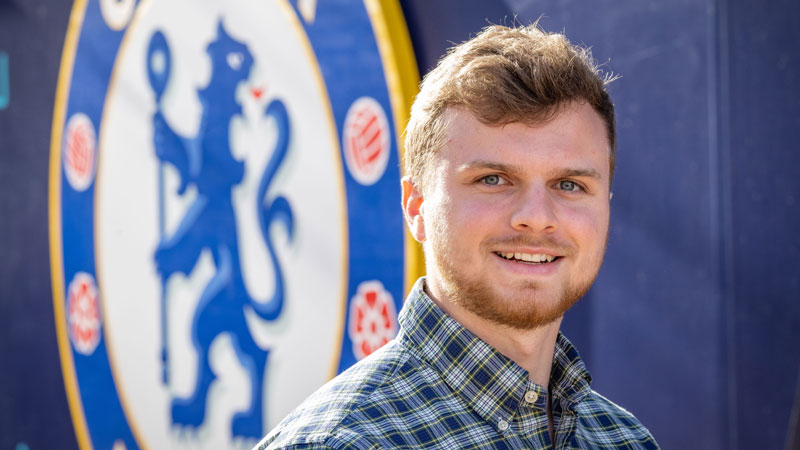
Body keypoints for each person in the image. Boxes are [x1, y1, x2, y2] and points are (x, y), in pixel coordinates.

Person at [256, 23, 659, 449]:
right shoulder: (339, 443)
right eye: (493, 179)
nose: (537, 217)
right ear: (416, 206)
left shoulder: (622, 438)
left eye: (569, 185)